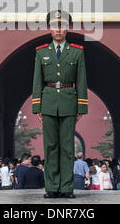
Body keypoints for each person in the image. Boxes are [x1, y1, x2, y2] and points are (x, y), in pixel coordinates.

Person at [32, 10, 88, 198]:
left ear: (67, 29)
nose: (58, 30)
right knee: (50, 146)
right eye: (55, 26)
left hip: (68, 102)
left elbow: (81, 81)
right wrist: (37, 106)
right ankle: (52, 187)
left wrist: (81, 107)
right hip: (48, 102)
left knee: (67, 147)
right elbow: (37, 80)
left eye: (62, 26)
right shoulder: (41, 52)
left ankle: (66, 188)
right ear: (49, 28)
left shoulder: (77, 52)